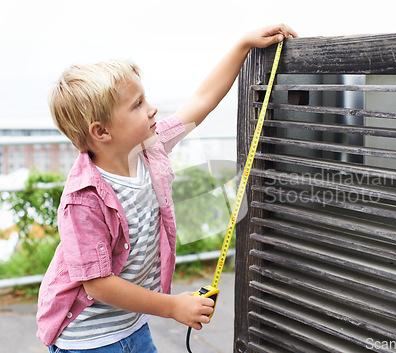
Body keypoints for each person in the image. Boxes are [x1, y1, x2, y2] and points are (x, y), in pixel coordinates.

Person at [36, 24, 297, 353]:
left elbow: (201, 101)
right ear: (101, 132)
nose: (152, 109)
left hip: (132, 325)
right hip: (87, 339)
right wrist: (172, 307)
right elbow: (98, 284)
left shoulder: (150, 147)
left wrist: (243, 45)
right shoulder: (83, 200)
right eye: (137, 105)